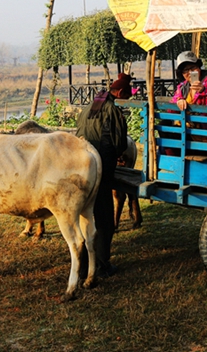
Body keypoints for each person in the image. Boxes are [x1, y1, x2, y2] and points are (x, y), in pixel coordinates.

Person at [75, 72, 131, 278]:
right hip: (101, 172)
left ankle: (80, 266)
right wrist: (118, 156)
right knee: (104, 218)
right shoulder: (113, 111)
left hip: (80, 170)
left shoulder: (88, 108)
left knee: (84, 218)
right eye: (128, 96)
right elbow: (120, 144)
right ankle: (101, 264)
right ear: (121, 93)